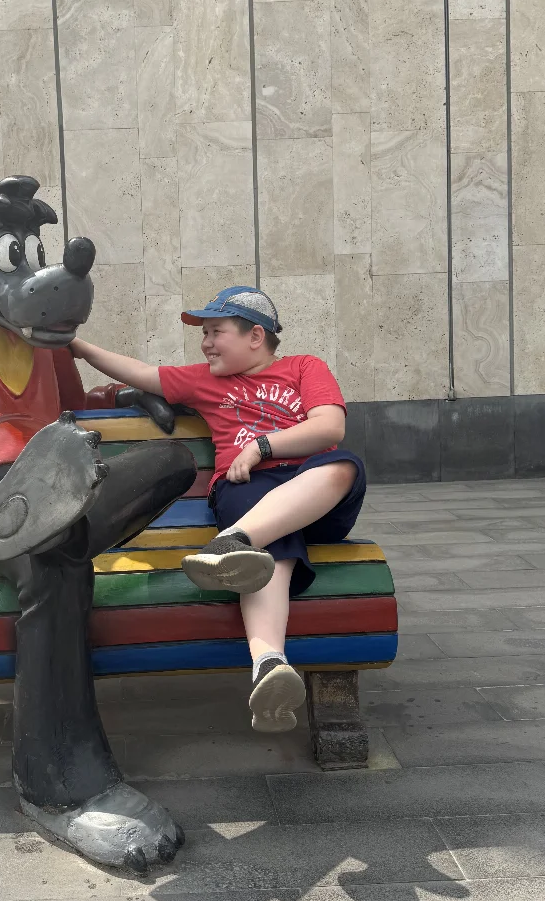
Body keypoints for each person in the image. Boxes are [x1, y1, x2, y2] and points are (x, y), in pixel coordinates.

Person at [70, 286, 366, 734]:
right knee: (270, 546)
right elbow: (141, 373)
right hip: (247, 489)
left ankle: (231, 543)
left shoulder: (304, 367)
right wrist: (75, 345)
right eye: (204, 334)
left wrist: (260, 446)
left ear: (255, 336)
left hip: (312, 492)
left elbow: (329, 428)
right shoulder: (203, 380)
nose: (205, 344)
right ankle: (268, 664)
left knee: (344, 465)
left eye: (215, 332)